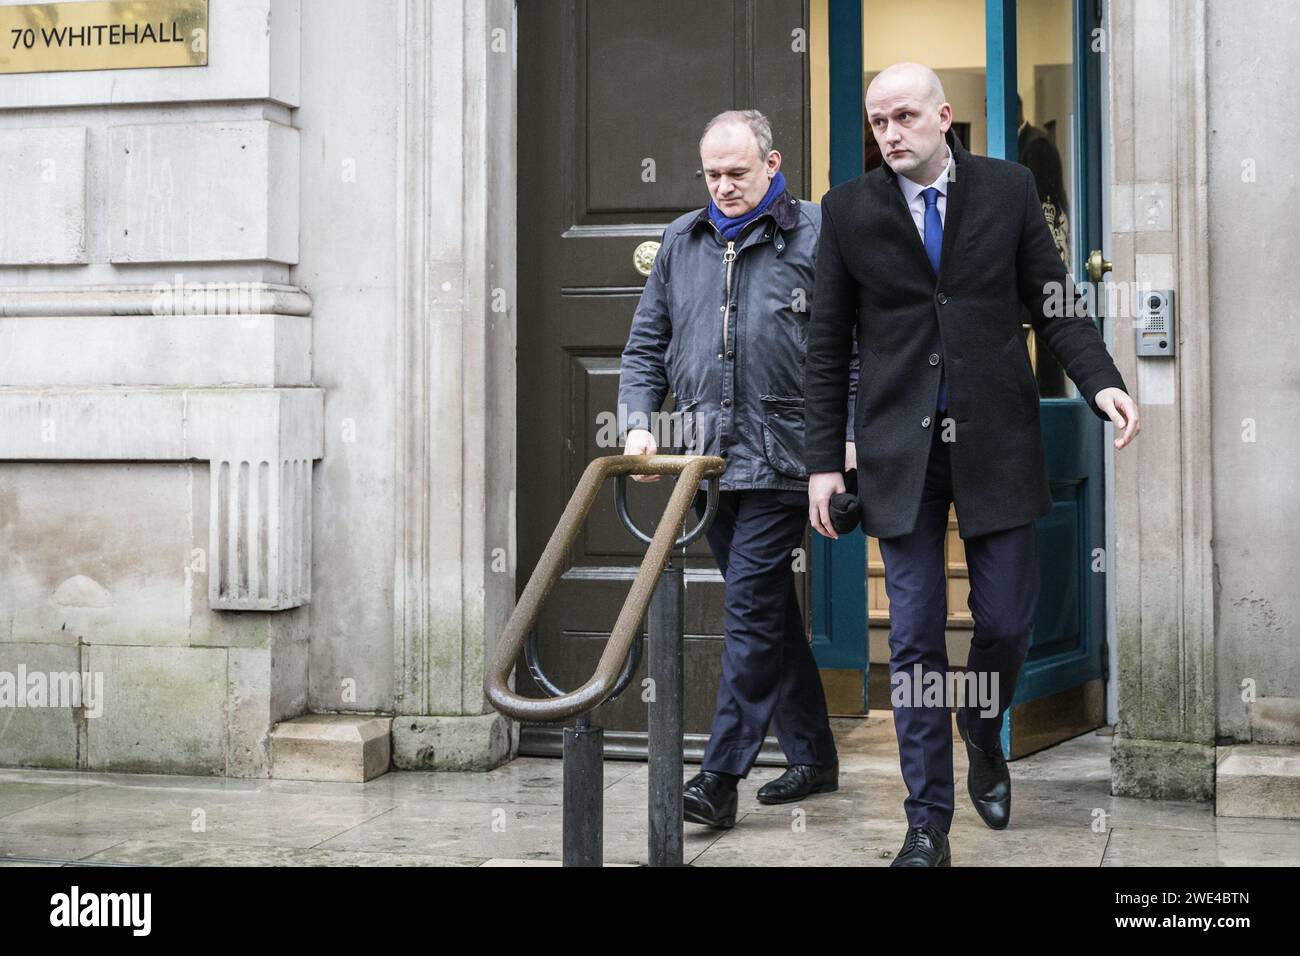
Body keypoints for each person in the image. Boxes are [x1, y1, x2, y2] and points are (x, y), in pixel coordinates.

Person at [804, 63, 1140, 866]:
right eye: (879, 121)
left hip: (996, 443)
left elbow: (1055, 301)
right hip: (898, 454)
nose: (890, 133)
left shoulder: (1009, 189)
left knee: (1007, 622)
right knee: (915, 638)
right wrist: (823, 461)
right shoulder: (846, 212)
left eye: (906, 117)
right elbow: (825, 348)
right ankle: (928, 825)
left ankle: (981, 725)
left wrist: (1103, 383)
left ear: (944, 117)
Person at [618, 109, 856, 829]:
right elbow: (645, 346)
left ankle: (718, 777)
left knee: (750, 607)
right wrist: (637, 424)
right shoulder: (681, 242)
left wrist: (843, 441)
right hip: (704, 462)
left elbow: (858, 345)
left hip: (787, 457)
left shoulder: (819, 234)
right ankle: (813, 756)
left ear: (773, 164)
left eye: (737, 174)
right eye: (713, 175)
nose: (722, 187)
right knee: (771, 613)